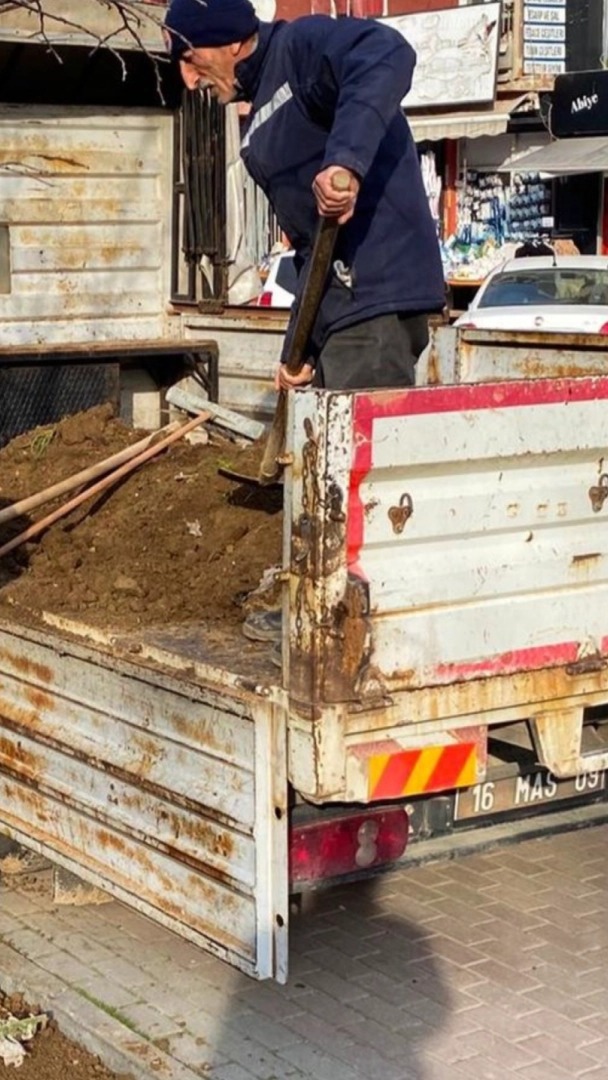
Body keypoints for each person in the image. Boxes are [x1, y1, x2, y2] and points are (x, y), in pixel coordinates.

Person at [164, 0, 446, 651]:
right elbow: (305, 248)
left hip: (377, 297)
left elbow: (386, 53)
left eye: (189, 57)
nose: (188, 78)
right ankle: (326, 608)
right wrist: (301, 345)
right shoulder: (256, 116)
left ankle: (353, 629)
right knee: (330, 464)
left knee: (353, 471)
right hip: (340, 307)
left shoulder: (303, 48)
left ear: (231, 40)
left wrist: (344, 161)